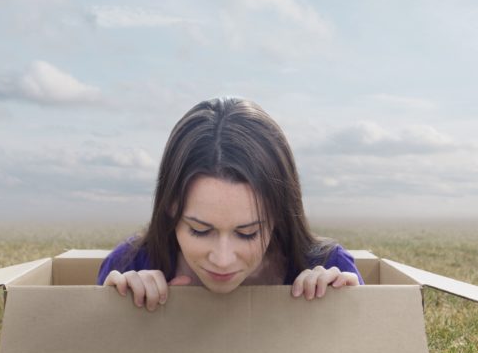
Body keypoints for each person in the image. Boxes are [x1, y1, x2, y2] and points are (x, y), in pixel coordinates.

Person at [97, 97, 363, 311]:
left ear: (279, 214)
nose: (222, 260)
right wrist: (118, 312)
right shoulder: (129, 264)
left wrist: (350, 307)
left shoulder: (331, 267)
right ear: (170, 207)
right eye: (200, 230)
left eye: (248, 233)